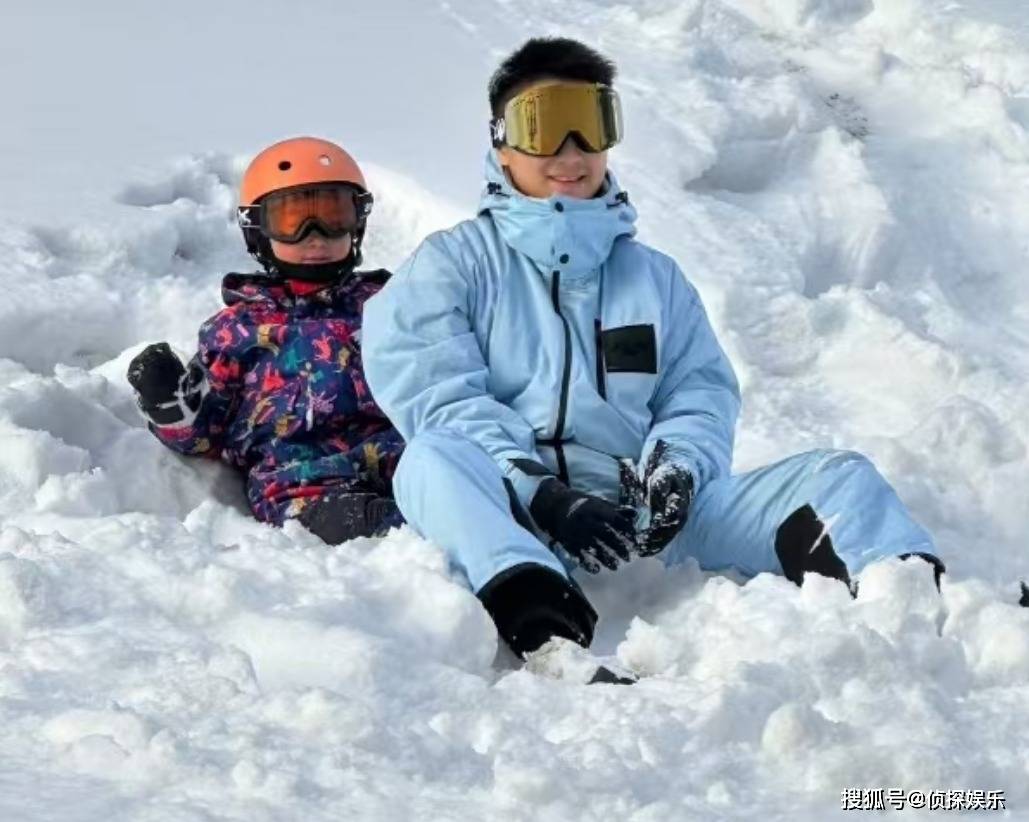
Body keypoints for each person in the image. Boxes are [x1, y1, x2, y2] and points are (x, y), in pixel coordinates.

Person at [361, 38, 944, 671]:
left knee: (838, 475)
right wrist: (543, 493)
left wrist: (678, 473)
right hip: (513, 513)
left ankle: (918, 609)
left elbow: (698, 392)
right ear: (502, 144)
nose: (572, 151)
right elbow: (438, 399)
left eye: (592, 123)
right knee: (429, 462)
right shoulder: (452, 266)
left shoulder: (654, 279)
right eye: (546, 126)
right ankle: (546, 627)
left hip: (637, 519)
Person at [127, 137, 403, 543]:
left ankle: (480, 510)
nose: (316, 236)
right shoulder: (237, 328)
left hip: (397, 449)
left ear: (357, 221)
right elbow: (205, 433)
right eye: (292, 221)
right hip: (298, 473)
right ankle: (381, 524)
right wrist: (169, 404)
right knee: (310, 508)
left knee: (453, 468)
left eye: (333, 216)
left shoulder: (391, 303)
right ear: (258, 230)